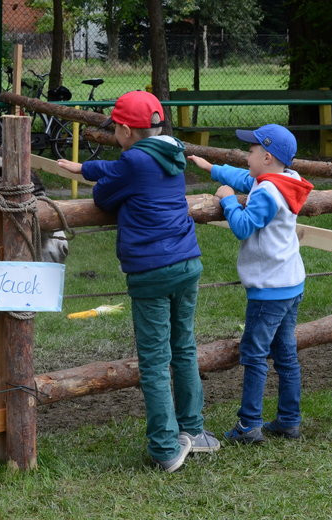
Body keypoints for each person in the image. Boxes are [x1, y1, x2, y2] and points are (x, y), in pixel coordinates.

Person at [57, 90, 218, 472]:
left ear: (127, 131)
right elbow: (116, 171)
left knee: (154, 359)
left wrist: (91, 175)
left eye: (116, 129)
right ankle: (193, 431)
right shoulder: (172, 152)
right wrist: (86, 168)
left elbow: (104, 196)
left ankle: (164, 447)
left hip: (151, 270)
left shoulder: (133, 161)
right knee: (184, 347)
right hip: (187, 261)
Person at [187, 124, 313, 444]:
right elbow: (250, 180)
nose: (247, 155)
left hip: (268, 289)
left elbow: (243, 227)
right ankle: (288, 419)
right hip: (290, 283)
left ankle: (248, 425)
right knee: (285, 354)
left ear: (267, 157)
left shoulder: (269, 192)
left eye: (251, 151)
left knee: (255, 355)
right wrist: (214, 169)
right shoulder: (287, 181)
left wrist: (228, 200)